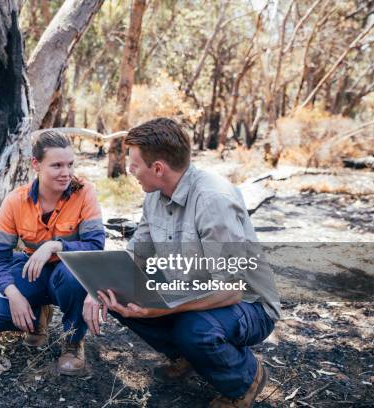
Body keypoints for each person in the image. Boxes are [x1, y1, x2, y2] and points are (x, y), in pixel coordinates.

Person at [82, 118, 281, 407]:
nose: (130, 170)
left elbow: (232, 289)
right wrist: (96, 287)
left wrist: (160, 307)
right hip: (188, 289)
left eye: (135, 164)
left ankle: (245, 378)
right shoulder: (155, 195)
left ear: (158, 168)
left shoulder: (213, 200)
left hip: (249, 306)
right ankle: (186, 356)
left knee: (195, 330)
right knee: (118, 298)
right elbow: (136, 252)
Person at [0, 130, 105, 376]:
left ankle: (73, 342)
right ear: (36, 164)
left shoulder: (84, 191)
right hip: (33, 273)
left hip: (69, 276)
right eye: (56, 165)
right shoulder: (15, 201)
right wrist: (13, 295)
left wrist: (56, 245)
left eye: (70, 164)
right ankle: (37, 318)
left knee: (74, 271)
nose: (66, 173)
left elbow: (96, 247)